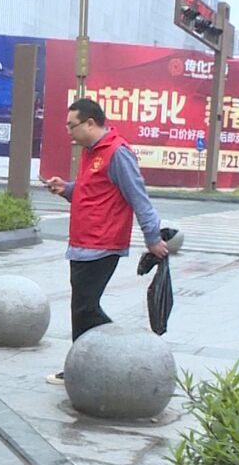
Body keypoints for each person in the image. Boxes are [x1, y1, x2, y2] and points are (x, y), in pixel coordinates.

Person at [42, 98, 167, 386]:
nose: (68, 131)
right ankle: (83, 367)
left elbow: (139, 197)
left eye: (72, 125)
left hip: (102, 244)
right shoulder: (91, 152)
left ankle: (129, 353)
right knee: (81, 309)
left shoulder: (117, 153)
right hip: (82, 244)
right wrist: (66, 189)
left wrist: (152, 237)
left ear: (90, 123)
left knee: (85, 308)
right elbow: (91, 192)